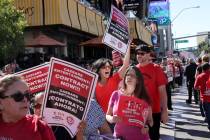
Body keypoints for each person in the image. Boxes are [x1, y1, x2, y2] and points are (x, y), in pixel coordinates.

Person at [33, 92, 112, 140]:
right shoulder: (29, 126)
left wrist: (79, 133)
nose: (41, 110)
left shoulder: (62, 126)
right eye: (37, 106)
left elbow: (106, 130)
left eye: (46, 106)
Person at [0, 75, 55, 140]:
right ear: (1, 103)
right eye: (18, 96)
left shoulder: (40, 127)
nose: (25, 99)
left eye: (27, 95)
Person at [106, 66, 153, 140]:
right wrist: (111, 119)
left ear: (138, 80)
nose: (129, 77)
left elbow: (150, 121)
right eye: (127, 75)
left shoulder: (143, 98)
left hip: (140, 137)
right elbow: (107, 115)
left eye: (132, 75)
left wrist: (147, 127)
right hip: (119, 137)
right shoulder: (116, 94)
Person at [135, 44, 168, 140]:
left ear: (149, 55)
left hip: (154, 111)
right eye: (137, 53)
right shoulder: (134, 69)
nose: (139, 55)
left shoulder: (156, 68)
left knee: (153, 137)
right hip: (137, 111)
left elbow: (162, 91)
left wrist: (164, 110)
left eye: (142, 53)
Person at [92, 45, 130, 114]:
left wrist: (128, 44)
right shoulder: (93, 84)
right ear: (98, 70)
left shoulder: (114, 79)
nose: (107, 69)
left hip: (116, 117)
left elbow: (126, 65)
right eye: (104, 67)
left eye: (109, 67)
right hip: (102, 120)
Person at [194, 62, 210, 131]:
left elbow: (195, 87)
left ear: (202, 69)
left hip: (204, 98)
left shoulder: (199, 76)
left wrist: (201, 88)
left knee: (207, 112)